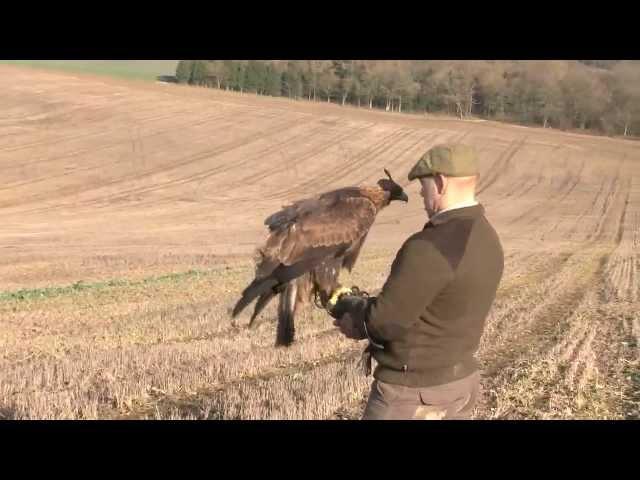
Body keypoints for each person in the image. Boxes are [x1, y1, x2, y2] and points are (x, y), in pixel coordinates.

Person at [332, 143, 504, 420]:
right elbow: (434, 304)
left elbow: (385, 322)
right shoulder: (487, 237)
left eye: (423, 187)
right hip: (460, 384)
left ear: (440, 182)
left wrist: (353, 314)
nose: (422, 195)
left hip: (414, 396)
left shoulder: (429, 246)